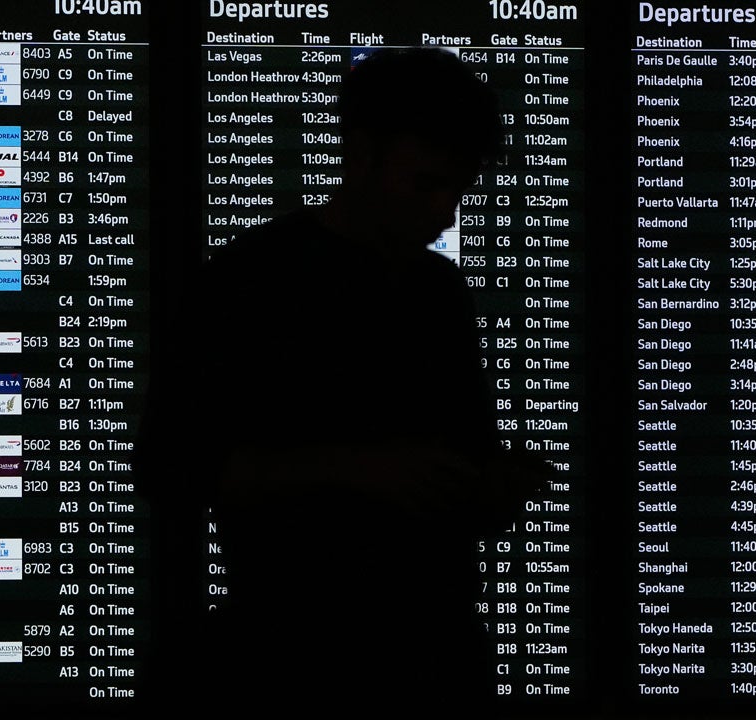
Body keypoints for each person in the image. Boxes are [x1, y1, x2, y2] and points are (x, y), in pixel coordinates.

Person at [180, 47, 551, 715]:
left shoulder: (441, 293)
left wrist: (489, 485)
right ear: (360, 156)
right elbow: (172, 467)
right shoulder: (249, 282)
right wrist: (356, 469)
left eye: (458, 190)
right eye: (426, 184)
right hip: (294, 661)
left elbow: (462, 458)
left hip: (434, 659)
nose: (445, 212)